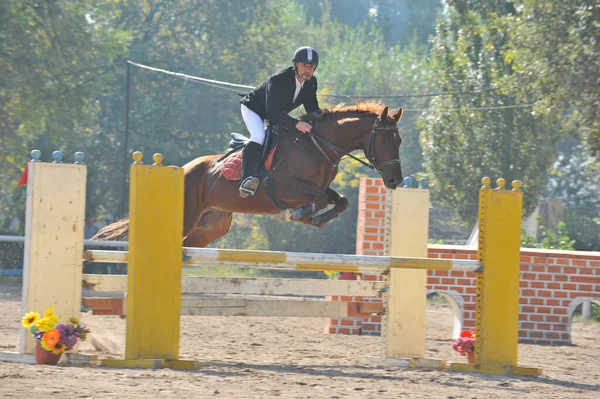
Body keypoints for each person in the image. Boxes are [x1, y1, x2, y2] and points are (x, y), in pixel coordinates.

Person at [238, 46, 322, 198]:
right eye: (304, 66)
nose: (308, 70)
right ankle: (247, 179)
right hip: (254, 109)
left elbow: (313, 110)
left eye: (311, 67)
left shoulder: (311, 83)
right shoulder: (278, 80)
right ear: (295, 64)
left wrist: (328, 120)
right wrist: (297, 124)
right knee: (259, 137)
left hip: (274, 114)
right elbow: (273, 113)